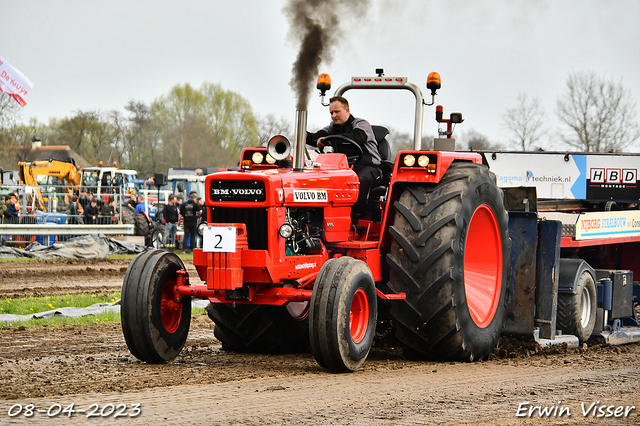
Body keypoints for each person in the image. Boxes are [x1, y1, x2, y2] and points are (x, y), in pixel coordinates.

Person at [306, 96, 382, 228]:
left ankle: (356, 221)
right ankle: (317, 223)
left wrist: (326, 140)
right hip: (345, 169)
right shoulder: (332, 128)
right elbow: (316, 137)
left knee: (359, 180)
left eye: (337, 112)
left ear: (347, 110)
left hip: (370, 167)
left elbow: (356, 137)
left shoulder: (361, 124)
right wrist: (304, 135)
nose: (334, 116)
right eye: (331, 113)